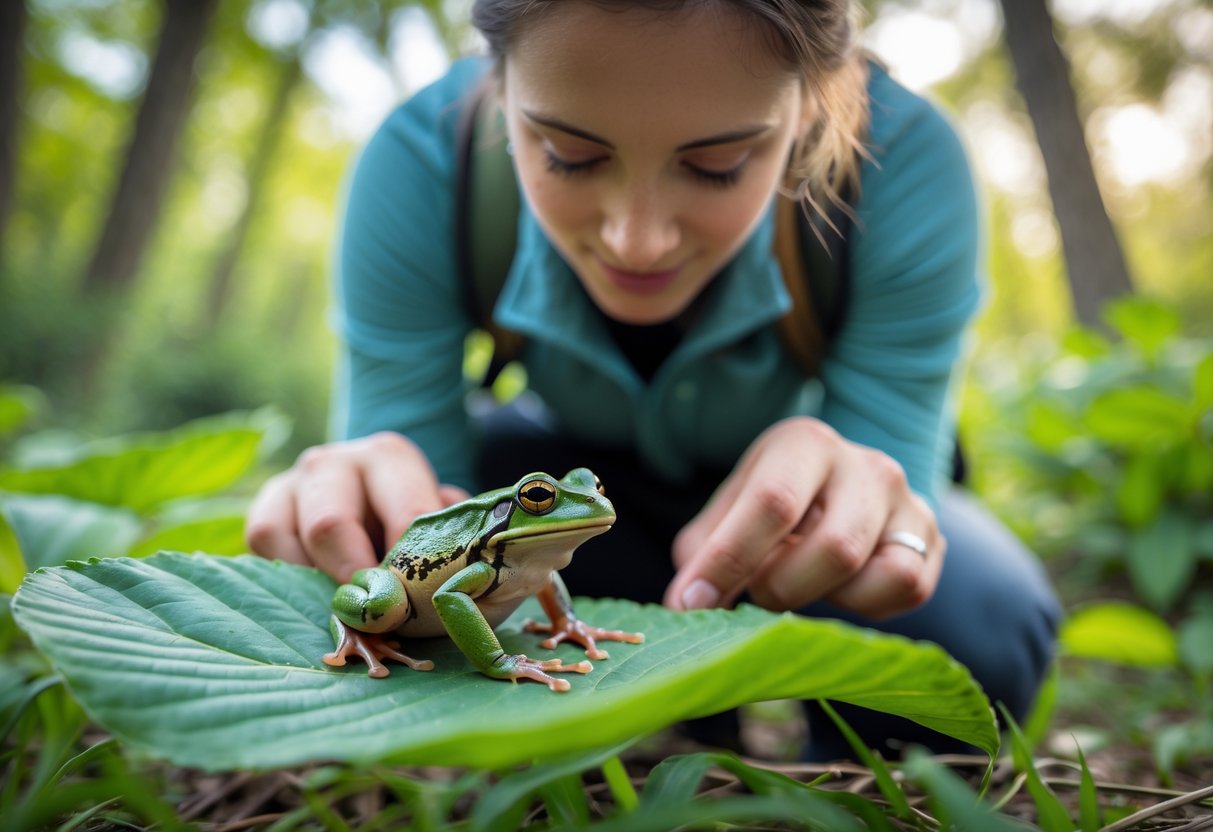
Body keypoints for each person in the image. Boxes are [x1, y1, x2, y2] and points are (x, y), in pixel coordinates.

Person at [246, 0, 1061, 760]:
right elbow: (413, 501)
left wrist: (876, 512)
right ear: (498, 90)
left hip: (784, 509)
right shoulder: (425, 159)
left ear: (812, 108)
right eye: (568, 154)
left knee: (978, 620)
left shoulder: (904, 164)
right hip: (559, 504)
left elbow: (890, 482)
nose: (637, 240)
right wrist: (360, 494)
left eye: (718, 163)